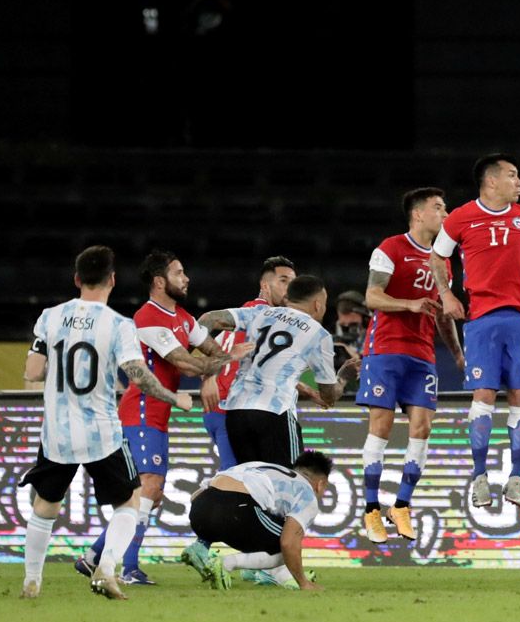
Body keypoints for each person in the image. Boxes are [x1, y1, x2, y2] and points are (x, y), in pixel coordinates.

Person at [20, 246, 194, 600]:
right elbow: (138, 377)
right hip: (102, 432)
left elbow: (33, 371)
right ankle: (106, 570)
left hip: (57, 432)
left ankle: (32, 583)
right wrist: (174, 397)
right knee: (130, 502)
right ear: (113, 280)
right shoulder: (118, 324)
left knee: (45, 507)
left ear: (77, 279)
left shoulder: (49, 317)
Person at [76, 250, 249, 586]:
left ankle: (93, 557)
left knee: (149, 495)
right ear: (159, 282)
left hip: (156, 414)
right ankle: (126, 568)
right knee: (148, 489)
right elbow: (187, 363)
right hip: (140, 409)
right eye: (179, 273)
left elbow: (210, 351)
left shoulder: (183, 317)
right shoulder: (148, 318)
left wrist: (224, 358)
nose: (186, 279)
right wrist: (228, 359)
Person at [430, 153, 520, 508]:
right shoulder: (462, 218)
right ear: (492, 181)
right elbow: (438, 257)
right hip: (481, 318)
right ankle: (479, 476)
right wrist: (446, 294)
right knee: (483, 395)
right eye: (513, 176)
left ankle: (517, 477)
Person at [358, 187, 464, 543]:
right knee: (382, 425)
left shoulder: (443, 260)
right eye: (439, 208)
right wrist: (410, 304)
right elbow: (372, 297)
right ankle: (371, 509)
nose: (445, 214)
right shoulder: (390, 248)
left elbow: (443, 313)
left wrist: (458, 354)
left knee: (422, 427)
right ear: (418, 214)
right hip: (386, 349)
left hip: (422, 355)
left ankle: (401, 505)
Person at [196, 275, 361, 469]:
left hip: (236, 413)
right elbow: (328, 397)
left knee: (250, 483)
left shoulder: (260, 313)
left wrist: (209, 372)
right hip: (275, 413)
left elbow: (207, 319)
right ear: (317, 304)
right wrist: (343, 377)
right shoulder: (318, 334)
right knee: (288, 481)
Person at [199, 256, 298, 471]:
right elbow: (206, 322)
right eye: (283, 280)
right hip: (233, 409)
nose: (290, 287)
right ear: (265, 286)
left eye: (293, 281)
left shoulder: (240, 316)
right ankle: (204, 501)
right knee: (240, 481)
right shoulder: (268, 317)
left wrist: (209, 377)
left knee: (242, 478)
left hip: (216, 411)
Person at [184, 451, 334, 592]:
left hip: (199, 509)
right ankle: (225, 564)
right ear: (320, 484)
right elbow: (288, 543)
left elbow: (195, 496)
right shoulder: (307, 493)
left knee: (263, 522)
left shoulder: (264, 467)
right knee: (287, 546)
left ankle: (200, 547)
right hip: (235, 509)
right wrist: (304, 583)